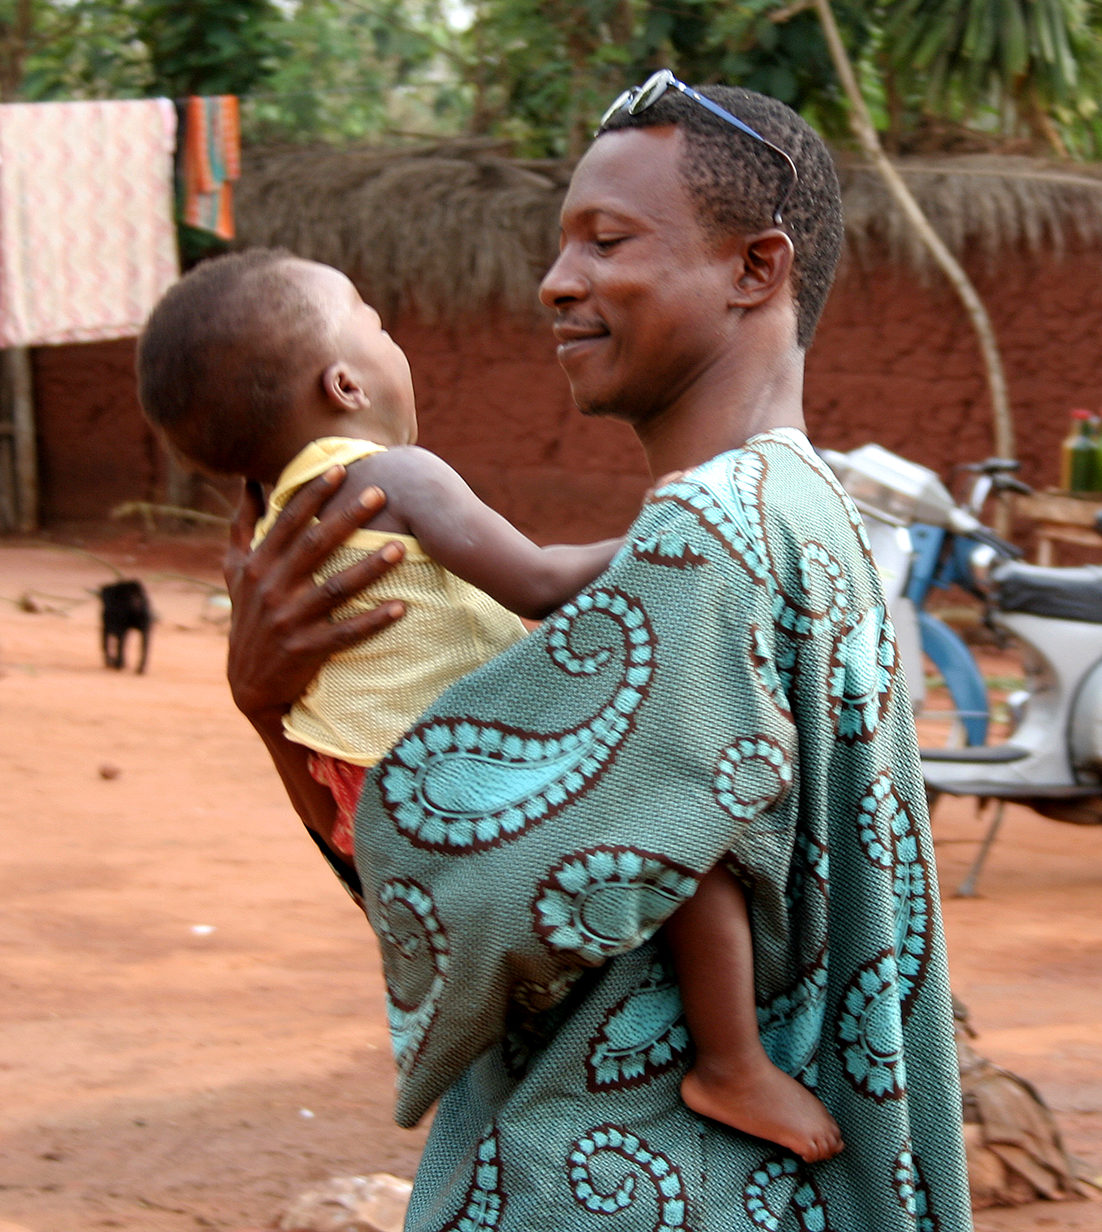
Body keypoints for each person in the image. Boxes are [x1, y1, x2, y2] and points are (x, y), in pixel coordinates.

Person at [221, 73, 973, 1231]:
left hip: (631, 1178)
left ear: (753, 269)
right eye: (560, 243)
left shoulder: (705, 539)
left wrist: (274, 709)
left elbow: (469, 904)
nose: (555, 280)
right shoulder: (803, 509)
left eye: (604, 239)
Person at [136, 246, 843, 1162]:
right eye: (376, 321)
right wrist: (670, 526)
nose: (396, 340)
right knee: (689, 829)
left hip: (369, 813)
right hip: (473, 794)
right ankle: (733, 1062)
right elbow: (541, 580)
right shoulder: (403, 475)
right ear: (346, 383)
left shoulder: (275, 525)